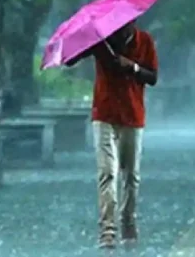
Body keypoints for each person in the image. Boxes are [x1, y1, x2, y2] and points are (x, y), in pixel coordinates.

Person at [66, 20, 158, 248]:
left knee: (131, 175)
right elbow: (70, 60)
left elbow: (153, 77)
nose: (120, 29)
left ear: (133, 23)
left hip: (133, 116)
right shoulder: (101, 41)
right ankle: (107, 230)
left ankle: (128, 221)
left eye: (126, 25)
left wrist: (133, 67)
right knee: (107, 172)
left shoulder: (144, 41)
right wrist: (84, 39)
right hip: (104, 114)